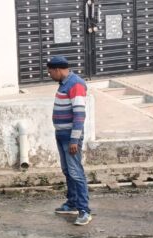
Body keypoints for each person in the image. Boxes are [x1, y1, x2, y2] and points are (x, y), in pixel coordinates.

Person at [47, 56, 92, 226]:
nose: (50, 74)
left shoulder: (75, 84)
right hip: (62, 134)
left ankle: (84, 211)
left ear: (58, 70)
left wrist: (74, 140)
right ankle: (72, 203)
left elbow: (79, 114)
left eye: (51, 71)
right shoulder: (65, 83)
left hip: (70, 137)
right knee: (67, 171)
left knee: (75, 172)